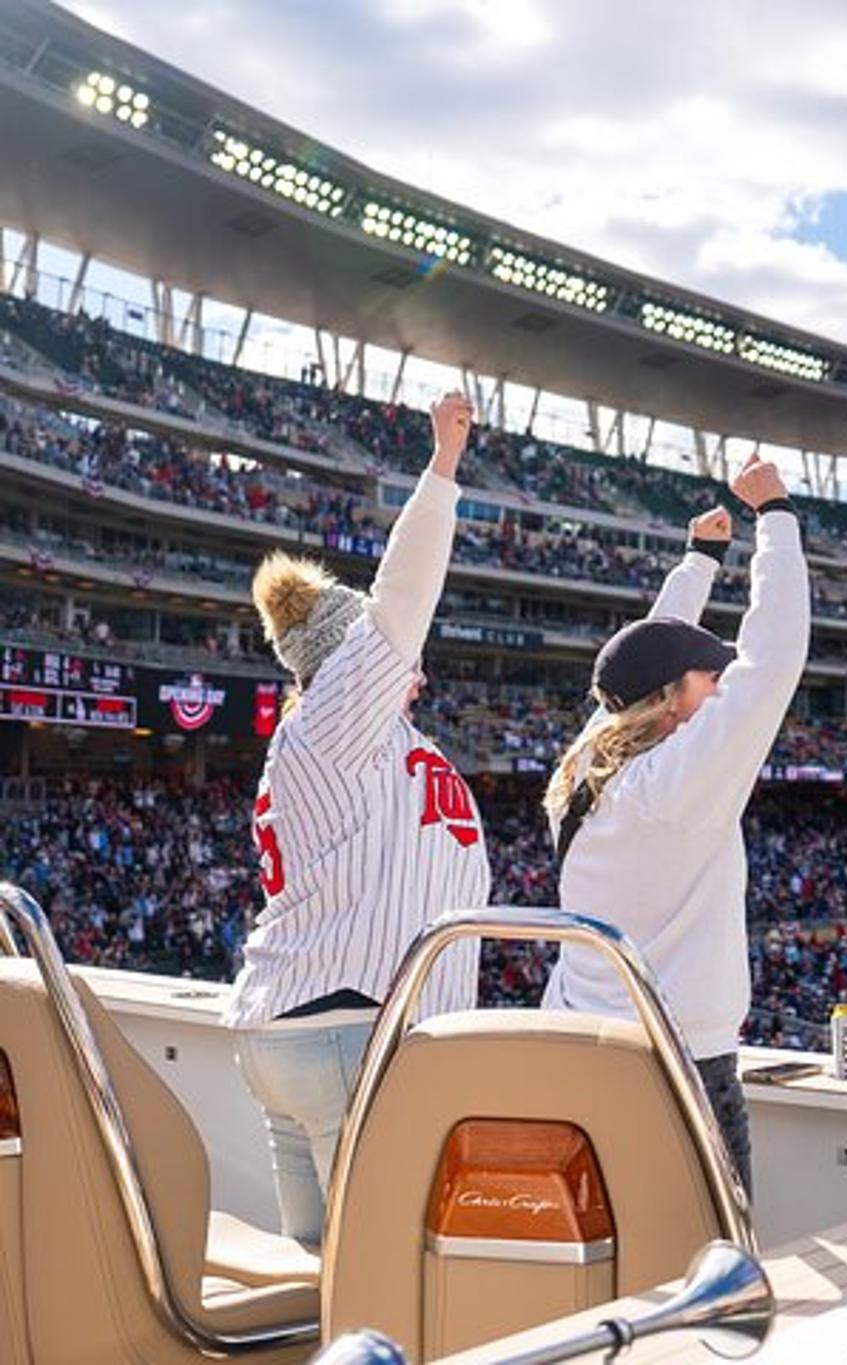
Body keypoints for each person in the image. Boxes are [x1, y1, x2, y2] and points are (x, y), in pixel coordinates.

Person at [222, 392, 488, 1245]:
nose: (409, 661)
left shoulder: (363, 740)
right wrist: (442, 467)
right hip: (345, 1026)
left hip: (305, 1024)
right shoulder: (337, 717)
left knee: (321, 1268)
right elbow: (400, 603)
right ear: (346, 664)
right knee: (381, 1268)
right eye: (381, 654)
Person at [542, 455, 810, 1196]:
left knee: (608, 1256)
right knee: (712, 1270)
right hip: (680, 1065)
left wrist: (699, 562)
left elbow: (638, 656)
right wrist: (776, 516)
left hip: (584, 1045)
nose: (721, 684)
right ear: (668, 699)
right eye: (708, 676)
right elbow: (775, 657)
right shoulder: (676, 784)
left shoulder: (587, 765)